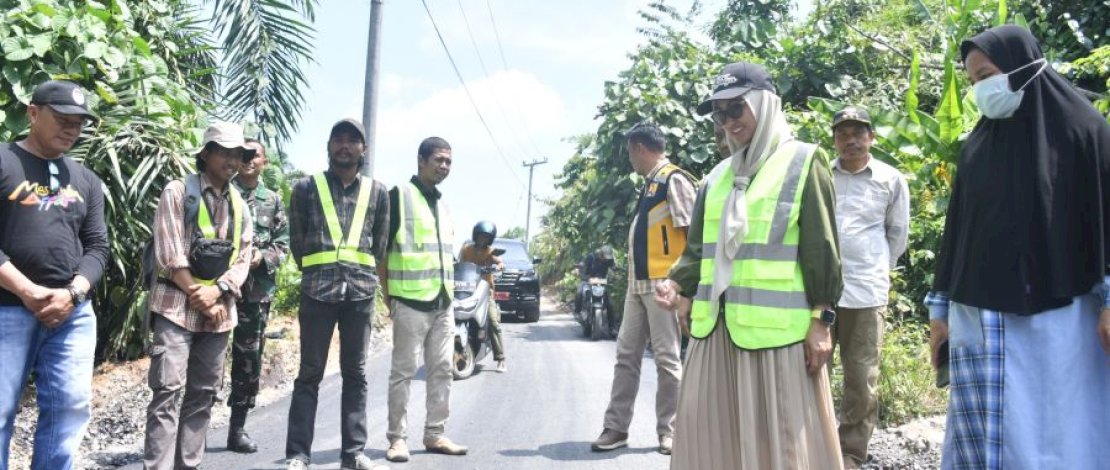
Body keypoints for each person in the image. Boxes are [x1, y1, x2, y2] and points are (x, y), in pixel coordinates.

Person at [926, 25, 1110, 469]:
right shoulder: (979, 146)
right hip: (982, 321)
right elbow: (956, 236)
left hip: (1064, 324)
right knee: (991, 441)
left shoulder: (1085, 132)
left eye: (986, 74)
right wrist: (938, 311)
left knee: (1059, 430)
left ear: (1024, 65)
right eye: (973, 81)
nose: (981, 89)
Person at [655, 61, 844, 469]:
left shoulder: (804, 162)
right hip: (713, 335)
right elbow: (699, 251)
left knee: (781, 446)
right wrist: (680, 289)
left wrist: (822, 321)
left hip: (777, 340)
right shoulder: (715, 178)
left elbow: (822, 250)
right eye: (719, 114)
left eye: (736, 109)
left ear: (764, 103)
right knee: (710, 439)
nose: (728, 123)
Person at [0, 80, 108, 470]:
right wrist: (27, 290)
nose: (71, 129)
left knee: (69, 409)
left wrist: (74, 293)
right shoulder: (3, 160)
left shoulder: (86, 180)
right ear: (32, 113)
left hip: (72, 315)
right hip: (7, 308)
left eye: (78, 123)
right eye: (62, 119)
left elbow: (97, 247)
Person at [144, 121, 254, 469]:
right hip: (176, 308)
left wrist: (218, 292)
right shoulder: (178, 192)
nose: (232, 160)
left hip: (219, 313)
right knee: (167, 393)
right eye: (224, 151)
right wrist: (200, 295)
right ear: (206, 153)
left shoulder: (240, 204)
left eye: (238, 154)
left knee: (202, 396)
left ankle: (188, 465)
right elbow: (170, 251)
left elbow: (243, 256)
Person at [284, 119, 389, 470]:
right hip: (317, 291)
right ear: (328, 146)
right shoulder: (305, 188)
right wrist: (318, 270)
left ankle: (354, 453)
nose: (345, 146)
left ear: (364, 149)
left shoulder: (378, 193)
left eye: (352, 140)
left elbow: (381, 244)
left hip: (360, 294)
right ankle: (298, 454)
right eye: (338, 139)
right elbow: (297, 242)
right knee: (309, 374)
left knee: (355, 373)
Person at [590, 122, 695, 455]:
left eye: (629, 152)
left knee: (666, 359)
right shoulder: (650, 184)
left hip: (664, 285)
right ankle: (616, 428)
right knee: (626, 357)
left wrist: (683, 286)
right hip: (638, 286)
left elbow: (694, 236)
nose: (630, 160)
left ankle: (670, 431)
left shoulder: (673, 179)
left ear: (639, 148)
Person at [828, 106, 909, 469]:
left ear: (872, 137)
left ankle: (850, 453)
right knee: (808, 370)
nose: (851, 140)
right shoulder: (822, 175)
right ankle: (810, 442)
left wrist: (879, 270)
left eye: (858, 132)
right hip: (820, 291)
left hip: (866, 291)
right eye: (843, 133)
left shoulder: (891, 179)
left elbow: (897, 234)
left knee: (861, 378)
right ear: (834, 139)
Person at [382, 137, 468, 463]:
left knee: (443, 369)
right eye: (439, 160)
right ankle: (397, 439)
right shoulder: (399, 196)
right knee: (403, 372)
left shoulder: (442, 206)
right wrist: (388, 296)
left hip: (442, 303)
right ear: (421, 160)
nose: (444, 166)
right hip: (409, 300)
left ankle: (435, 434)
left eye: (448, 161)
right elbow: (381, 251)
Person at [225, 138, 289, 453]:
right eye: (244, 154)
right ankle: (190, 427)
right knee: (204, 358)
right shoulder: (223, 191)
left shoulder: (272, 200)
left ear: (264, 161)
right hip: (218, 288)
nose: (249, 160)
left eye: (256, 155)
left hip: (254, 292)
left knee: (248, 359)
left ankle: (237, 429)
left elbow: (283, 242)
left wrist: (262, 256)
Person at [458, 220, 507, 372]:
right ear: (475, 236)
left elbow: (500, 262)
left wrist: (498, 266)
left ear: (489, 239)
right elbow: (459, 266)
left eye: (486, 237)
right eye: (480, 236)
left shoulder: (490, 252)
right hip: (466, 289)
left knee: (493, 322)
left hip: (485, 290)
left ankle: (501, 359)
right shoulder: (466, 250)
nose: (482, 239)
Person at [575, 246, 615, 315]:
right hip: (588, 280)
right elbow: (584, 267)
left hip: (601, 281)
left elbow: (613, 267)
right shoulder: (591, 257)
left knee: (609, 302)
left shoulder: (609, 260)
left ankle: (611, 324)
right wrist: (580, 272)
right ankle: (577, 312)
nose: (605, 259)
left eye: (607, 258)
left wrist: (615, 271)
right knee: (579, 292)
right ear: (600, 254)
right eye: (604, 257)